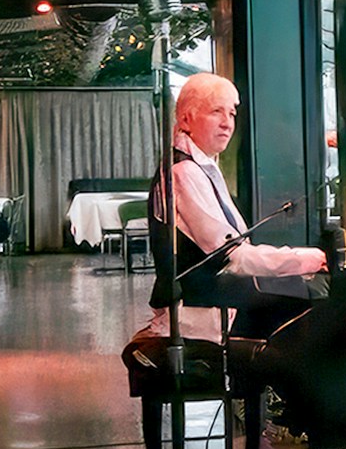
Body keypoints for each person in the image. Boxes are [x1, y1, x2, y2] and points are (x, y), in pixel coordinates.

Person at [131, 72, 326, 344]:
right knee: (313, 317)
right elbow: (232, 257)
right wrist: (306, 260)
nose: (227, 123)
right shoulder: (184, 173)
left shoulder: (202, 166)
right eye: (216, 112)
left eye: (232, 113)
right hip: (203, 308)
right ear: (186, 119)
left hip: (212, 297)